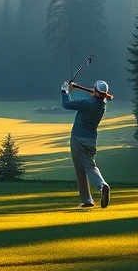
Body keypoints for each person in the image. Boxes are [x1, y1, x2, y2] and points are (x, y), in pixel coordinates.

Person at [61, 79, 111, 208]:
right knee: (90, 166)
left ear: (95, 91)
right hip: (91, 141)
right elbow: (103, 98)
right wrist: (77, 88)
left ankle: (87, 200)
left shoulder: (86, 104)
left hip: (78, 139)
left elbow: (67, 104)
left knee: (80, 170)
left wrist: (65, 91)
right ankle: (101, 185)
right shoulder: (102, 106)